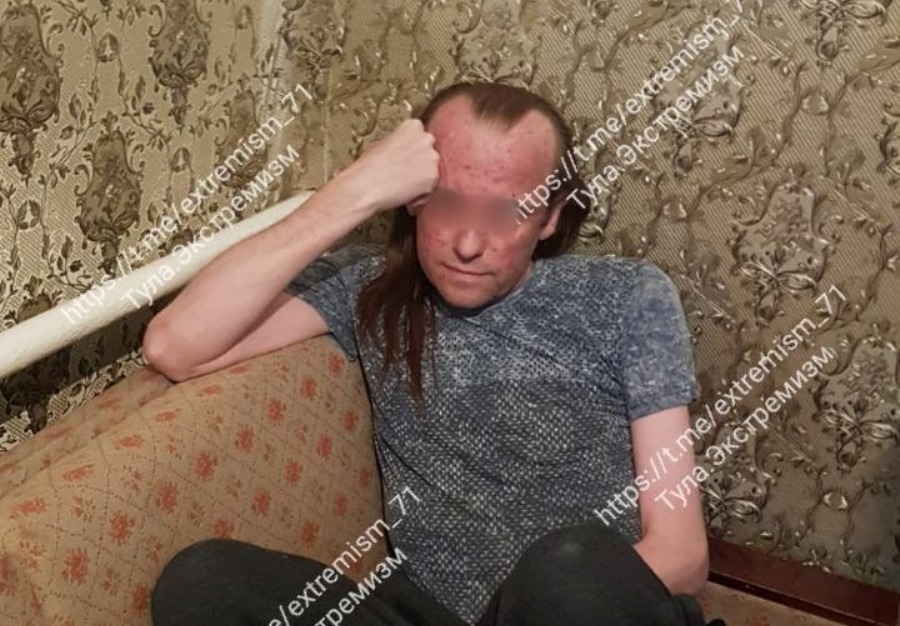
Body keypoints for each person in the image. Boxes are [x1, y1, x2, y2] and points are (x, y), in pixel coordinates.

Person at [145, 82, 719, 626]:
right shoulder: (367, 289)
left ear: (549, 217)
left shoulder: (625, 296)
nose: (467, 245)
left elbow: (683, 555)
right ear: (413, 197)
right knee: (204, 581)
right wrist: (356, 189)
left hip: (588, 609)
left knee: (566, 570)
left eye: (506, 213)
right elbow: (174, 346)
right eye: (447, 202)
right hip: (428, 614)